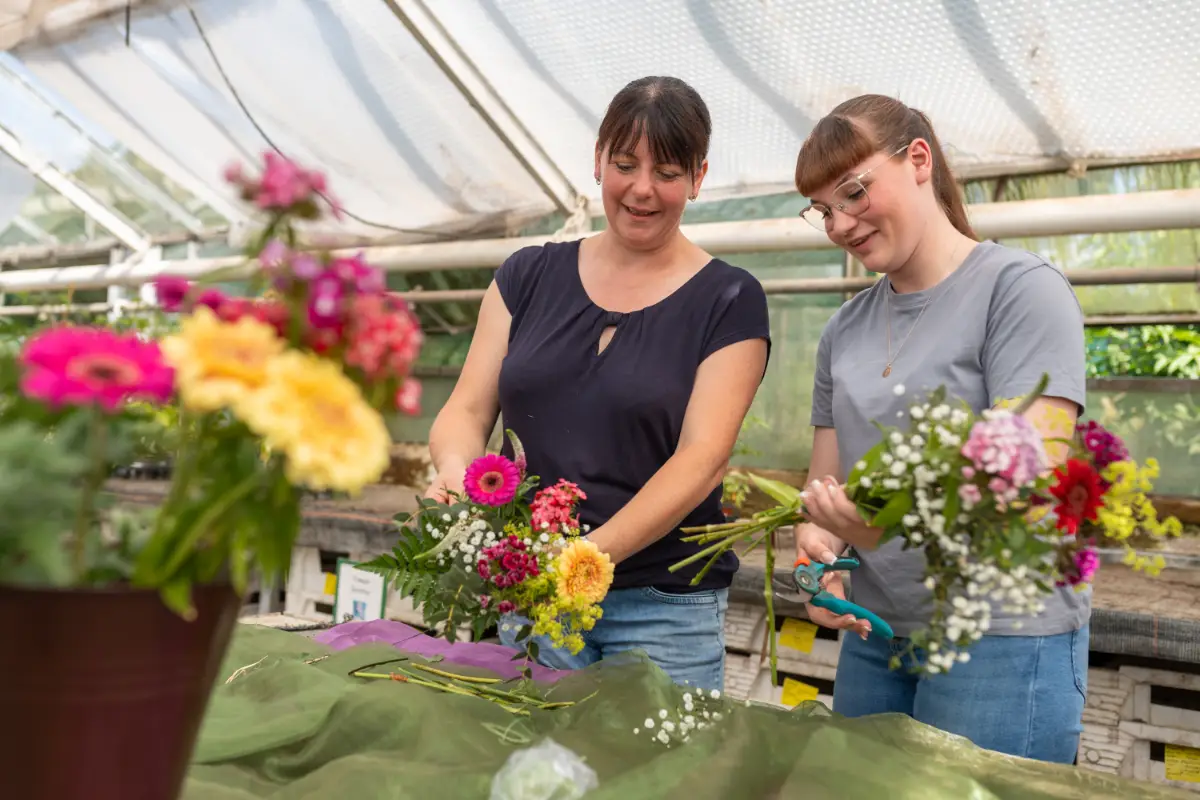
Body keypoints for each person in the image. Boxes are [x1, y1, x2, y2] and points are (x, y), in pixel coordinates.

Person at [422, 76, 771, 691]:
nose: (642, 189)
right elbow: (467, 411)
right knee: (538, 778)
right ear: (598, 161)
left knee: (657, 784)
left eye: (667, 171)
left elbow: (703, 459)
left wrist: (585, 560)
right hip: (533, 599)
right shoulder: (527, 276)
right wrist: (457, 470)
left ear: (698, 177)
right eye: (625, 163)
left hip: (664, 609)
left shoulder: (729, 298)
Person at [791, 94, 1088, 764]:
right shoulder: (845, 329)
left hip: (1001, 636)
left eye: (854, 193)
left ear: (918, 159)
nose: (840, 222)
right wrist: (817, 545)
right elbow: (823, 486)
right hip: (878, 633)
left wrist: (880, 528)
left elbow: (1026, 481)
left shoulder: (1019, 290)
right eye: (823, 209)